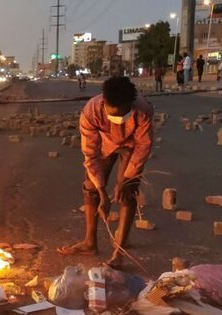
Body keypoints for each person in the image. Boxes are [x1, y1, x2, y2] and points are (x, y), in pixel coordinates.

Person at [57, 76, 154, 269]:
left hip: (130, 147)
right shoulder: (91, 111)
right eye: (113, 114)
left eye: (122, 114)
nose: (117, 119)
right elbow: (90, 154)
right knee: (90, 187)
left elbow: (143, 146)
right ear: (104, 102)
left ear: (130, 104)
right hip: (104, 145)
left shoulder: (143, 110)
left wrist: (125, 180)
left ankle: (119, 251)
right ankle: (90, 242)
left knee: (127, 192)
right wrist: (102, 193)